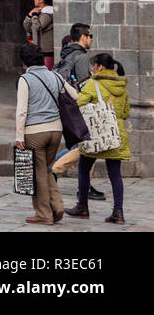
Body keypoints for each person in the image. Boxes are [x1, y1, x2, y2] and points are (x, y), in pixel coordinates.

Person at [15, 42, 76, 225]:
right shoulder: (55, 76)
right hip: (56, 130)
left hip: (35, 132)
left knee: (38, 173)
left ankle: (43, 214)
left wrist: (19, 136)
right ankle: (57, 206)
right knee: (48, 169)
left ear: (24, 62)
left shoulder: (25, 79)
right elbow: (74, 96)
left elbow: (22, 110)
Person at [65, 52, 129, 224]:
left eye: (92, 65)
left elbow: (79, 103)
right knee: (115, 174)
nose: (91, 69)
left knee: (84, 168)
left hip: (96, 134)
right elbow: (125, 112)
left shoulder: (94, 83)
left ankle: (82, 207)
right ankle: (118, 212)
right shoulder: (121, 85)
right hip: (116, 134)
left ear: (99, 67)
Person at [51, 22, 107, 200]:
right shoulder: (82, 58)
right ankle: (53, 171)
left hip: (65, 106)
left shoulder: (65, 55)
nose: (91, 39)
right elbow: (85, 85)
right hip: (78, 107)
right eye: (90, 36)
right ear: (83, 37)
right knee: (85, 145)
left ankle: (83, 185)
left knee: (79, 145)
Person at [23, 0, 55, 68]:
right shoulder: (38, 12)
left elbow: (37, 27)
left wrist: (34, 15)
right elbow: (26, 26)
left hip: (45, 51)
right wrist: (30, 14)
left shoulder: (48, 13)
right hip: (37, 49)